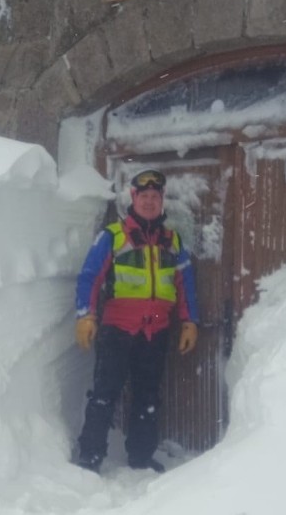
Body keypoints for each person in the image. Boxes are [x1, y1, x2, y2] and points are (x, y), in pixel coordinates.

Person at [73, 168, 199, 474]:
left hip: (155, 331)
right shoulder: (113, 236)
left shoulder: (172, 241)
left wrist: (189, 321)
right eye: (144, 196)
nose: (150, 201)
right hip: (118, 329)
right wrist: (85, 315)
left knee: (147, 396)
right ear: (134, 198)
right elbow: (90, 277)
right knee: (105, 394)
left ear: (162, 200)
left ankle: (141, 457)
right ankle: (89, 458)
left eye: (156, 196)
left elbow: (186, 284)